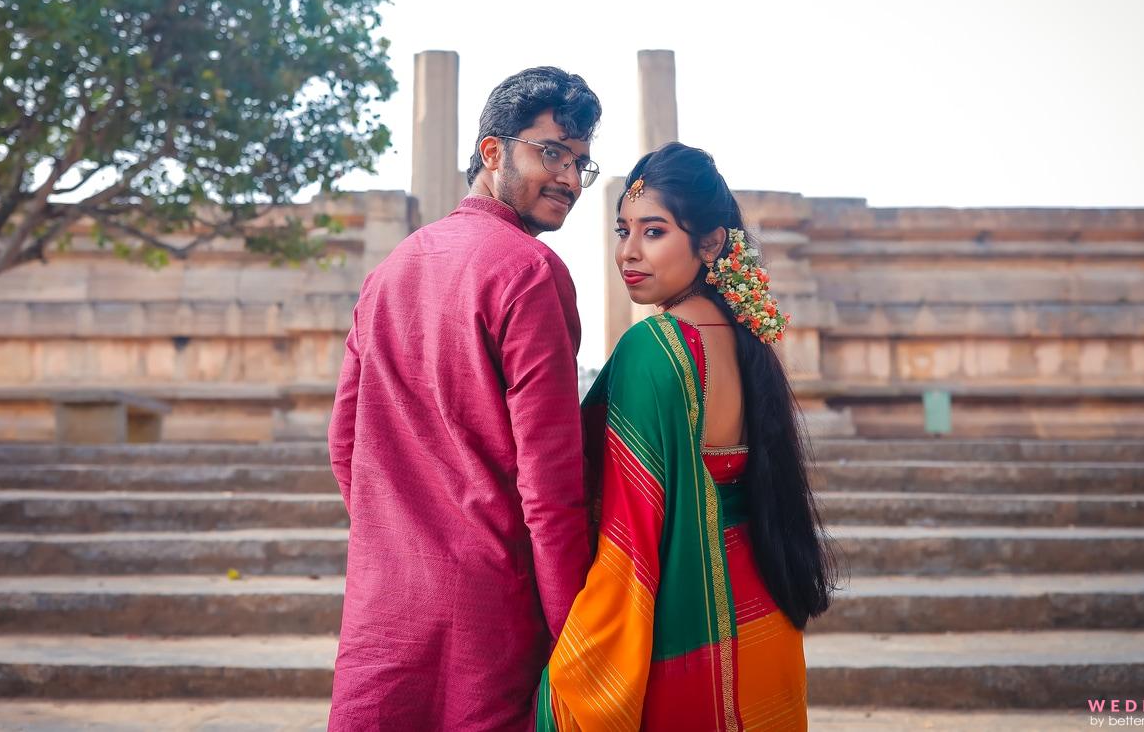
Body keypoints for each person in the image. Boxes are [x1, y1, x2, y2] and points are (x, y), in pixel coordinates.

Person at [327, 66, 603, 731]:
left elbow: (344, 443)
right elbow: (549, 482)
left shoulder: (391, 270)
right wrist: (574, 628)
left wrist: (397, 535)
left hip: (384, 602)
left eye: (582, 164)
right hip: (490, 607)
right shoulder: (530, 272)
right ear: (491, 152)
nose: (568, 177)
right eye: (552, 153)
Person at [536, 142, 838, 731]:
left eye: (654, 232)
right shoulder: (749, 344)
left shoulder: (654, 349)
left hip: (685, 626)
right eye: (623, 230)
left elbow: (629, 536)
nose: (627, 251)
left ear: (710, 244)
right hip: (761, 618)